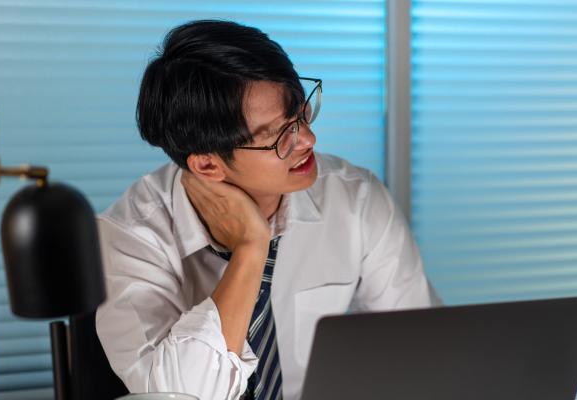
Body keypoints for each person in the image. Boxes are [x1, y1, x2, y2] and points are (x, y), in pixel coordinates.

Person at [95, 19, 441, 400]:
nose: (308, 139)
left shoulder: (356, 199)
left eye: (300, 114)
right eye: (278, 137)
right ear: (208, 164)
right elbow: (180, 395)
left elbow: (426, 348)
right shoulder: (128, 237)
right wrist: (251, 248)